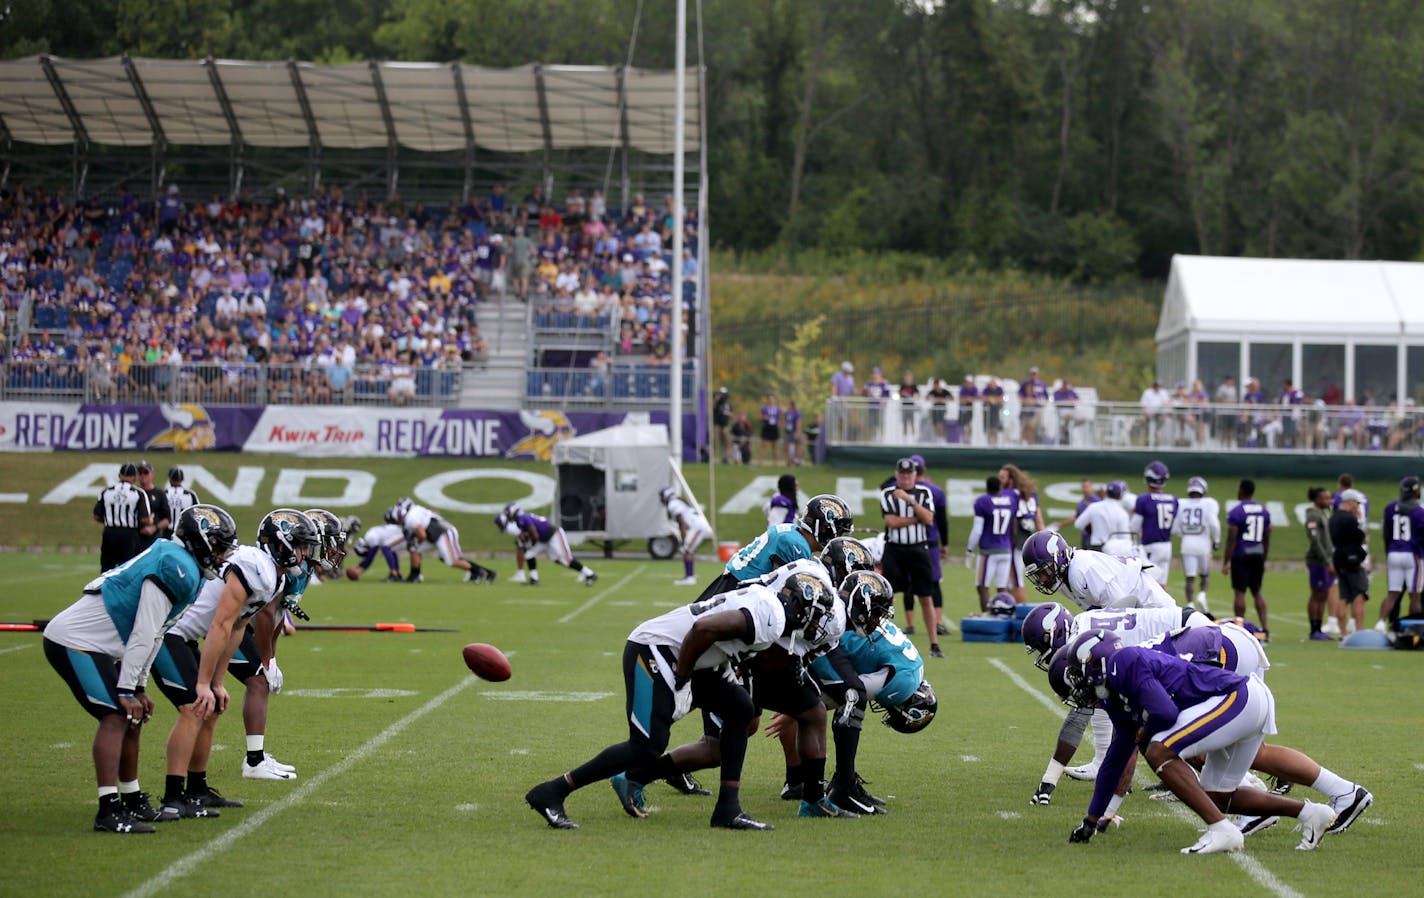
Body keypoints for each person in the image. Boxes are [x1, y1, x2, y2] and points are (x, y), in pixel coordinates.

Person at [524, 573, 836, 830]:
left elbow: (722, 639)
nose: (817, 623)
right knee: (646, 745)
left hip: (696, 658)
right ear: (799, 605)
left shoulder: (768, 604)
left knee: (740, 709)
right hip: (657, 650)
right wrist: (683, 678)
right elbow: (704, 628)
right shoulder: (773, 617)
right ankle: (553, 791)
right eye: (817, 614)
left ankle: (728, 809)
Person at [1057, 630, 1365, 855]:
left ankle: (1221, 830)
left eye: (1078, 677)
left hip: (1240, 697)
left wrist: (1144, 732)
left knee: (1158, 747)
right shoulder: (1115, 697)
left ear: (1095, 662)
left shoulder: (1125, 661)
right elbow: (1115, 759)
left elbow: (1164, 711)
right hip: (1244, 702)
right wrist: (1091, 818)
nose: (1079, 688)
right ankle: (1311, 814)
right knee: (1218, 794)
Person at [42, 505, 238, 833]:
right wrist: (125, 690)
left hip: (100, 646)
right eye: (217, 546)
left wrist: (139, 686)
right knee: (116, 716)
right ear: (199, 541)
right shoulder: (175, 564)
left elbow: (156, 632)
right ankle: (108, 809)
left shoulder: (183, 563)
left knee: (132, 717)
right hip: (73, 640)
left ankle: (132, 800)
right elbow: (144, 630)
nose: (220, 555)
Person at [155, 509, 320, 818]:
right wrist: (204, 683)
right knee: (194, 707)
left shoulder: (272, 576)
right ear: (281, 545)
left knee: (212, 705)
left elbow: (238, 627)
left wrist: (217, 682)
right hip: (170, 634)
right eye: (300, 546)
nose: (304, 555)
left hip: (188, 637)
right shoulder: (256, 565)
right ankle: (172, 796)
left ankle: (196, 789)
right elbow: (220, 624)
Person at [703, 494, 854, 600]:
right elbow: (780, 591)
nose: (839, 537)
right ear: (823, 527)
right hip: (737, 592)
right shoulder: (795, 545)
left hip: (735, 585)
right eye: (839, 531)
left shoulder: (793, 533)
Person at [1021, 529, 1176, 611]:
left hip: (1147, 600)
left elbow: (1122, 611)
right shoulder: (1064, 578)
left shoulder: (1082, 570)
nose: (1042, 580)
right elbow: (1095, 613)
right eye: (1038, 575)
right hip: (1130, 604)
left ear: (1058, 557)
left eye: (1043, 572)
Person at [881, 458, 941, 658]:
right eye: (902, 473)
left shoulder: (924, 493)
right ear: (897, 474)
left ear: (915, 474)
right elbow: (891, 522)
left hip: (918, 550)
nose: (905, 477)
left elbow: (929, 519)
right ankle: (883, 641)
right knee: (886, 596)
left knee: (925, 595)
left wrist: (909, 500)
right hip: (894, 550)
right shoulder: (887, 494)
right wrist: (917, 518)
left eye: (909, 473)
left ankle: (934, 644)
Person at [392, 497, 497, 584]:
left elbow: (422, 535)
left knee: (452, 560)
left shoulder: (410, 518)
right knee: (415, 549)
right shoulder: (417, 509)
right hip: (436, 534)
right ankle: (414, 576)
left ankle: (479, 571)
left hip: (443, 533)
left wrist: (417, 541)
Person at [496, 504, 597, 586]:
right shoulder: (520, 520)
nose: (508, 516)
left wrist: (530, 544)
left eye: (508, 513)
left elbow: (534, 535)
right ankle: (534, 579)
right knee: (529, 555)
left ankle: (590, 574)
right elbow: (531, 534)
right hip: (544, 538)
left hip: (553, 534)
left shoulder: (523, 518)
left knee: (565, 558)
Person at [1223, 479, 1271, 640]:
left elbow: (1232, 538)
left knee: (1240, 592)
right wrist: (1264, 557)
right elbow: (1267, 535)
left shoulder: (1237, 511)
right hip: (1258, 552)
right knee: (1257, 591)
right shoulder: (1263, 510)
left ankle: (1240, 629)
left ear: (1241, 490)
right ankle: (1265, 629)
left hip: (1241, 554)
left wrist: (1226, 561)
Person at [1378, 476, 1424, 634]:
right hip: (1412, 554)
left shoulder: (1390, 508)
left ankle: (1380, 624)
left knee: (1392, 593)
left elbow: (1386, 533)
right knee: (1415, 594)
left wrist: (1388, 551)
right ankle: (1414, 629)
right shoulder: (1419, 511)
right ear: (1416, 490)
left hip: (1393, 552)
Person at [967, 474, 1017, 613]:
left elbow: (977, 530)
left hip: (989, 550)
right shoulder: (1010, 501)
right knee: (1002, 587)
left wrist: (970, 550)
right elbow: (1013, 527)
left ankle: (987, 616)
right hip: (1006, 549)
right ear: (1000, 487)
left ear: (986, 487)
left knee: (982, 586)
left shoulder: (983, 501)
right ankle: (1004, 616)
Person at [1172, 476, 1221, 614]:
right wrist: (1216, 540)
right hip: (1203, 542)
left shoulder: (1181, 504)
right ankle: (1202, 595)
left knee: (1189, 577)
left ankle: (1190, 603)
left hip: (1187, 542)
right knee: (1204, 575)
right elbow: (1214, 524)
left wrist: (1184, 534)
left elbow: (1175, 528)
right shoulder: (1208, 503)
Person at [94, 462, 153, 572]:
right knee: (127, 569)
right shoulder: (138, 493)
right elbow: (144, 519)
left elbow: (97, 516)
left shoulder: (107, 491)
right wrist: (150, 521)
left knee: (106, 568)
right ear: (134, 477)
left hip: (109, 533)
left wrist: (111, 520)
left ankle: (103, 589)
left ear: (119, 476)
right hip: (129, 535)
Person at [1000, 463, 1045, 603]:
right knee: (1010, 581)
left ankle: (1021, 615)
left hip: (1014, 541)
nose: (1000, 481)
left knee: (1015, 581)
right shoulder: (1031, 495)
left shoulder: (1011, 496)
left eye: (1002, 478)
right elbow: (1039, 520)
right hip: (1026, 540)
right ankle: (1012, 611)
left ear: (1011, 480)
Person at [1330, 490, 1370, 635]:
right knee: (1360, 593)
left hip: (1339, 558)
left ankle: (1343, 633)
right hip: (1352, 558)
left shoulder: (1333, 517)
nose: (1358, 507)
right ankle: (1359, 631)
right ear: (1350, 502)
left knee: (1344, 597)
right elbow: (1361, 537)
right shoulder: (1350, 519)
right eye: (1356, 503)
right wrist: (1359, 522)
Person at [1131, 461, 1177, 586]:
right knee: (1162, 585)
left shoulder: (1144, 499)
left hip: (1150, 547)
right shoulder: (1173, 499)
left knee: (1145, 585)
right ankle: (1169, 607)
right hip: (1167, 546)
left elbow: (1134, 527)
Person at [661, 486, 714, 586]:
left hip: (697, 526)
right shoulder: (677, 502)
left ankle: (690, 577)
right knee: (687, 550)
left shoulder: (673, 504)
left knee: (686, 550)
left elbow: (681, 523)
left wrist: (684, 538)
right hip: (696, 525)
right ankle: (689, 576)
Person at [1303, 486, 1337, 641]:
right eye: (1325, 498)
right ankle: (1314, 629)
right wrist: (1327, 561)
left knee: (1323, 594)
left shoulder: (1324, 513)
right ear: (1317, 500)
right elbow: (1315, 541)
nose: (1328, 501)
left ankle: (1319, 628)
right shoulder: (1313, 516)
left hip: (1327, 560)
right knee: (1317, 593)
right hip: (1318, 561)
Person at [1074, 480, 1132, 555]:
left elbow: (1078, 525)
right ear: (1120, 495)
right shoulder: (1122, 513)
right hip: (1113, 550)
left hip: (1095, 548)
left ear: (1106, 492)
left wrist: (1091, 529)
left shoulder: (1094, 507)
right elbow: (1125, 539)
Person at [345, 516, 408, 582]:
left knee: (385, 548)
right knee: (390, 550)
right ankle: (397, 573)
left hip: (405, 536)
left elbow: (370, 558)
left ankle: (394, 574)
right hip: (403, 534)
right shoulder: (370, 534)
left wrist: (357, 567)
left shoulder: (370, 538)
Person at [135, 461, 171, 550]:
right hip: (135, 538)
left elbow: (167, 519)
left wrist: (154, 528)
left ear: (152, 474)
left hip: (154, 538)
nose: (143, 475)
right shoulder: (134, 493)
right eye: (140, 473)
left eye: (146, 472)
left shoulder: (159, 494)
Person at [163, 467, 200, 540]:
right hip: (183, 531)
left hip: (167, 531)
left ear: (170, 479)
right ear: (182, 480)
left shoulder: (164, 493)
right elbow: (197, 513)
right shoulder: (190, 494)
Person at [1018, 366, 1048, 445]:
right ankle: (1022, 443)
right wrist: (1025, 400)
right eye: (1032, 374)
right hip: (1026, 408)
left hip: (1037, 409)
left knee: (1035, 427)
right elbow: (1020, 394)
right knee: (1025, 427)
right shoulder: (1025, 383)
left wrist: (1041, 402)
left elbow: (1045, 396)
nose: (1033, 375)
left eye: (1035, 374)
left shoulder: (1041, 384)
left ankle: (1033, 443)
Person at [758, 393, 781, 465]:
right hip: (766, 427)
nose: (771, 401)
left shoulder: (778, 409)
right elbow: (760, 417)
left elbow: (780, 419)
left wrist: (779, 425)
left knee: (774, 445)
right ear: (768, 400)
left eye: (772, 399)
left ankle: (775, 462)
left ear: (775, 400)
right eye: (770, 399)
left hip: (774, 428)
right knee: (763, 444)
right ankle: (761, 461)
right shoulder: (764, 408)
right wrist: (763, 418)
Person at [712, 387, 733, 463]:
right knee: (715, 442)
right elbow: (714, 409)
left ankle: (726, 458)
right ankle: (712, 459)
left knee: (728, 442)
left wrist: (727, 413)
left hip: (725, 425)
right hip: (717, 425)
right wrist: (716, 400)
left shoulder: (728, 404)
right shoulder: (717, 403)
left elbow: (731, 414)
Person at [957, 375, 979, 442]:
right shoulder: (963, 388)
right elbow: (961, 399)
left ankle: (969, 438)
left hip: (971, 410)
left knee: (969, 424)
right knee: (963, 425)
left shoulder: (974, 388)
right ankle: (963, 438)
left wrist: (968, 399)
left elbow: (976, 398)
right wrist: (968, 399)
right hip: (963, 409)